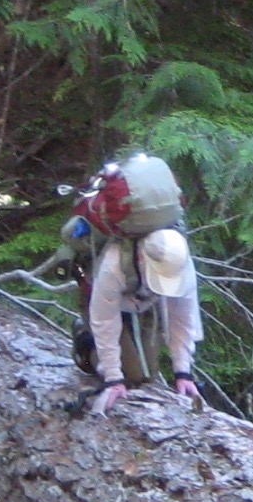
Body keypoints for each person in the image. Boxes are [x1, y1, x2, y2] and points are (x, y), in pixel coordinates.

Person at [63, 153, 205, 415]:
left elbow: (183, 318)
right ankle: (84, 341)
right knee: (131, 377)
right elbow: (105, 321)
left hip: (143, 299)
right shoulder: (115, 264)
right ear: (143, 259)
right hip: (105, 300)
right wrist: (114, 379)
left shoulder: (181, 261)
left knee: (147, 377)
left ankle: (127, 367)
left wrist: (183, 372)